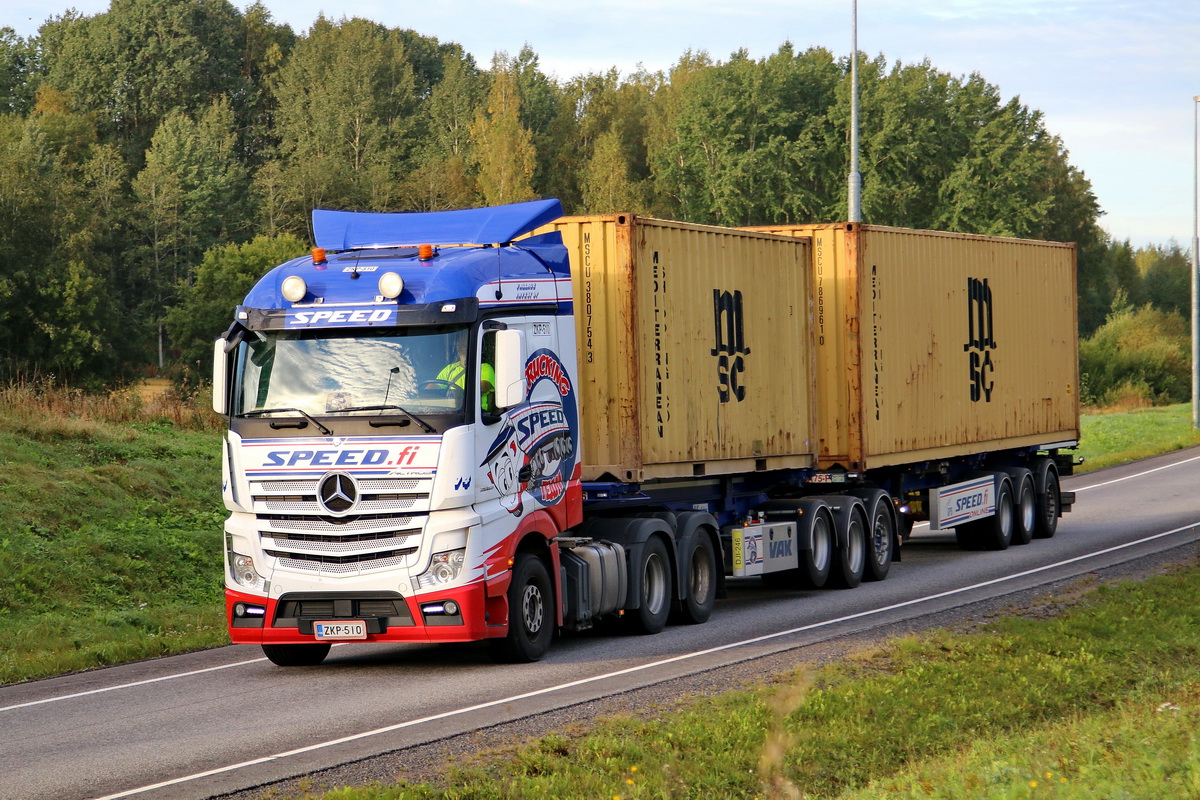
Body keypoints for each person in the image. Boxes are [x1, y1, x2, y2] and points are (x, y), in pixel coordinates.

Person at [434, 335, 495, 412]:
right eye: (459, 344)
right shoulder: (450, 368)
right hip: (450, 412)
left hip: (476, 413)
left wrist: (454, 397)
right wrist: (426, 391)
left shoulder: (484, 368)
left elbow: (481, 388)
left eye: (465, 345)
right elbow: (434, 387)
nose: (461, 347)